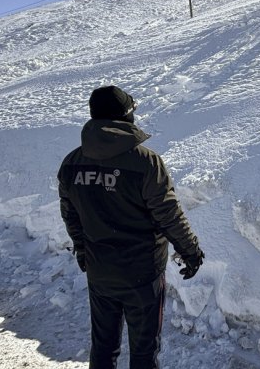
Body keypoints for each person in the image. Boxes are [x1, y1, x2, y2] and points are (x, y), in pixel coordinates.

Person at [58, 85, 204, 369]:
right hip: (142, 274)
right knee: (143, 352)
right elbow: (168, 213)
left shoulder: (72, 163)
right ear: (126, 116)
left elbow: (70, 215)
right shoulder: (146, 162)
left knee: (103, 347)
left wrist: (83, 250)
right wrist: (190, 250)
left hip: (101, 271)